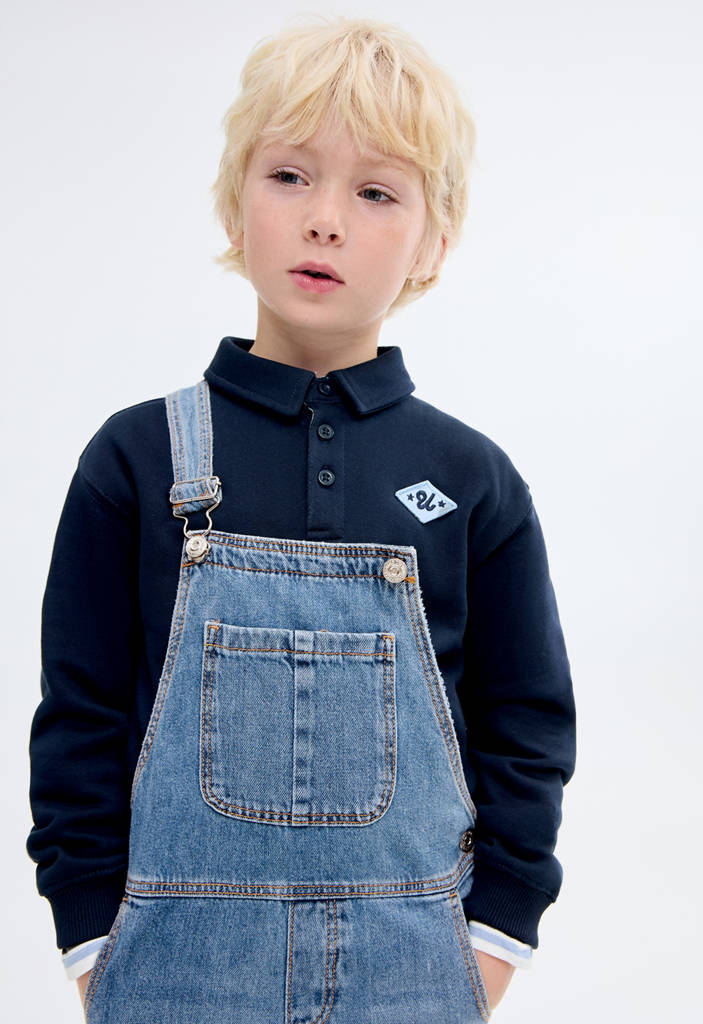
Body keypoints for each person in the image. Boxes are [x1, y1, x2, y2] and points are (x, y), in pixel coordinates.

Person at [27, 16, 576, 1023]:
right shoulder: (137, 461)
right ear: (234, 204)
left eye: (376, 192)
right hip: (174, 962)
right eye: (289, 176)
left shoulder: (470, 479)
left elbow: (526, 722)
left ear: (434, 240)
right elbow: (80, 716)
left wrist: (494, 937)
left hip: (414, 964)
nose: (326, 219)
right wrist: (92, 940)